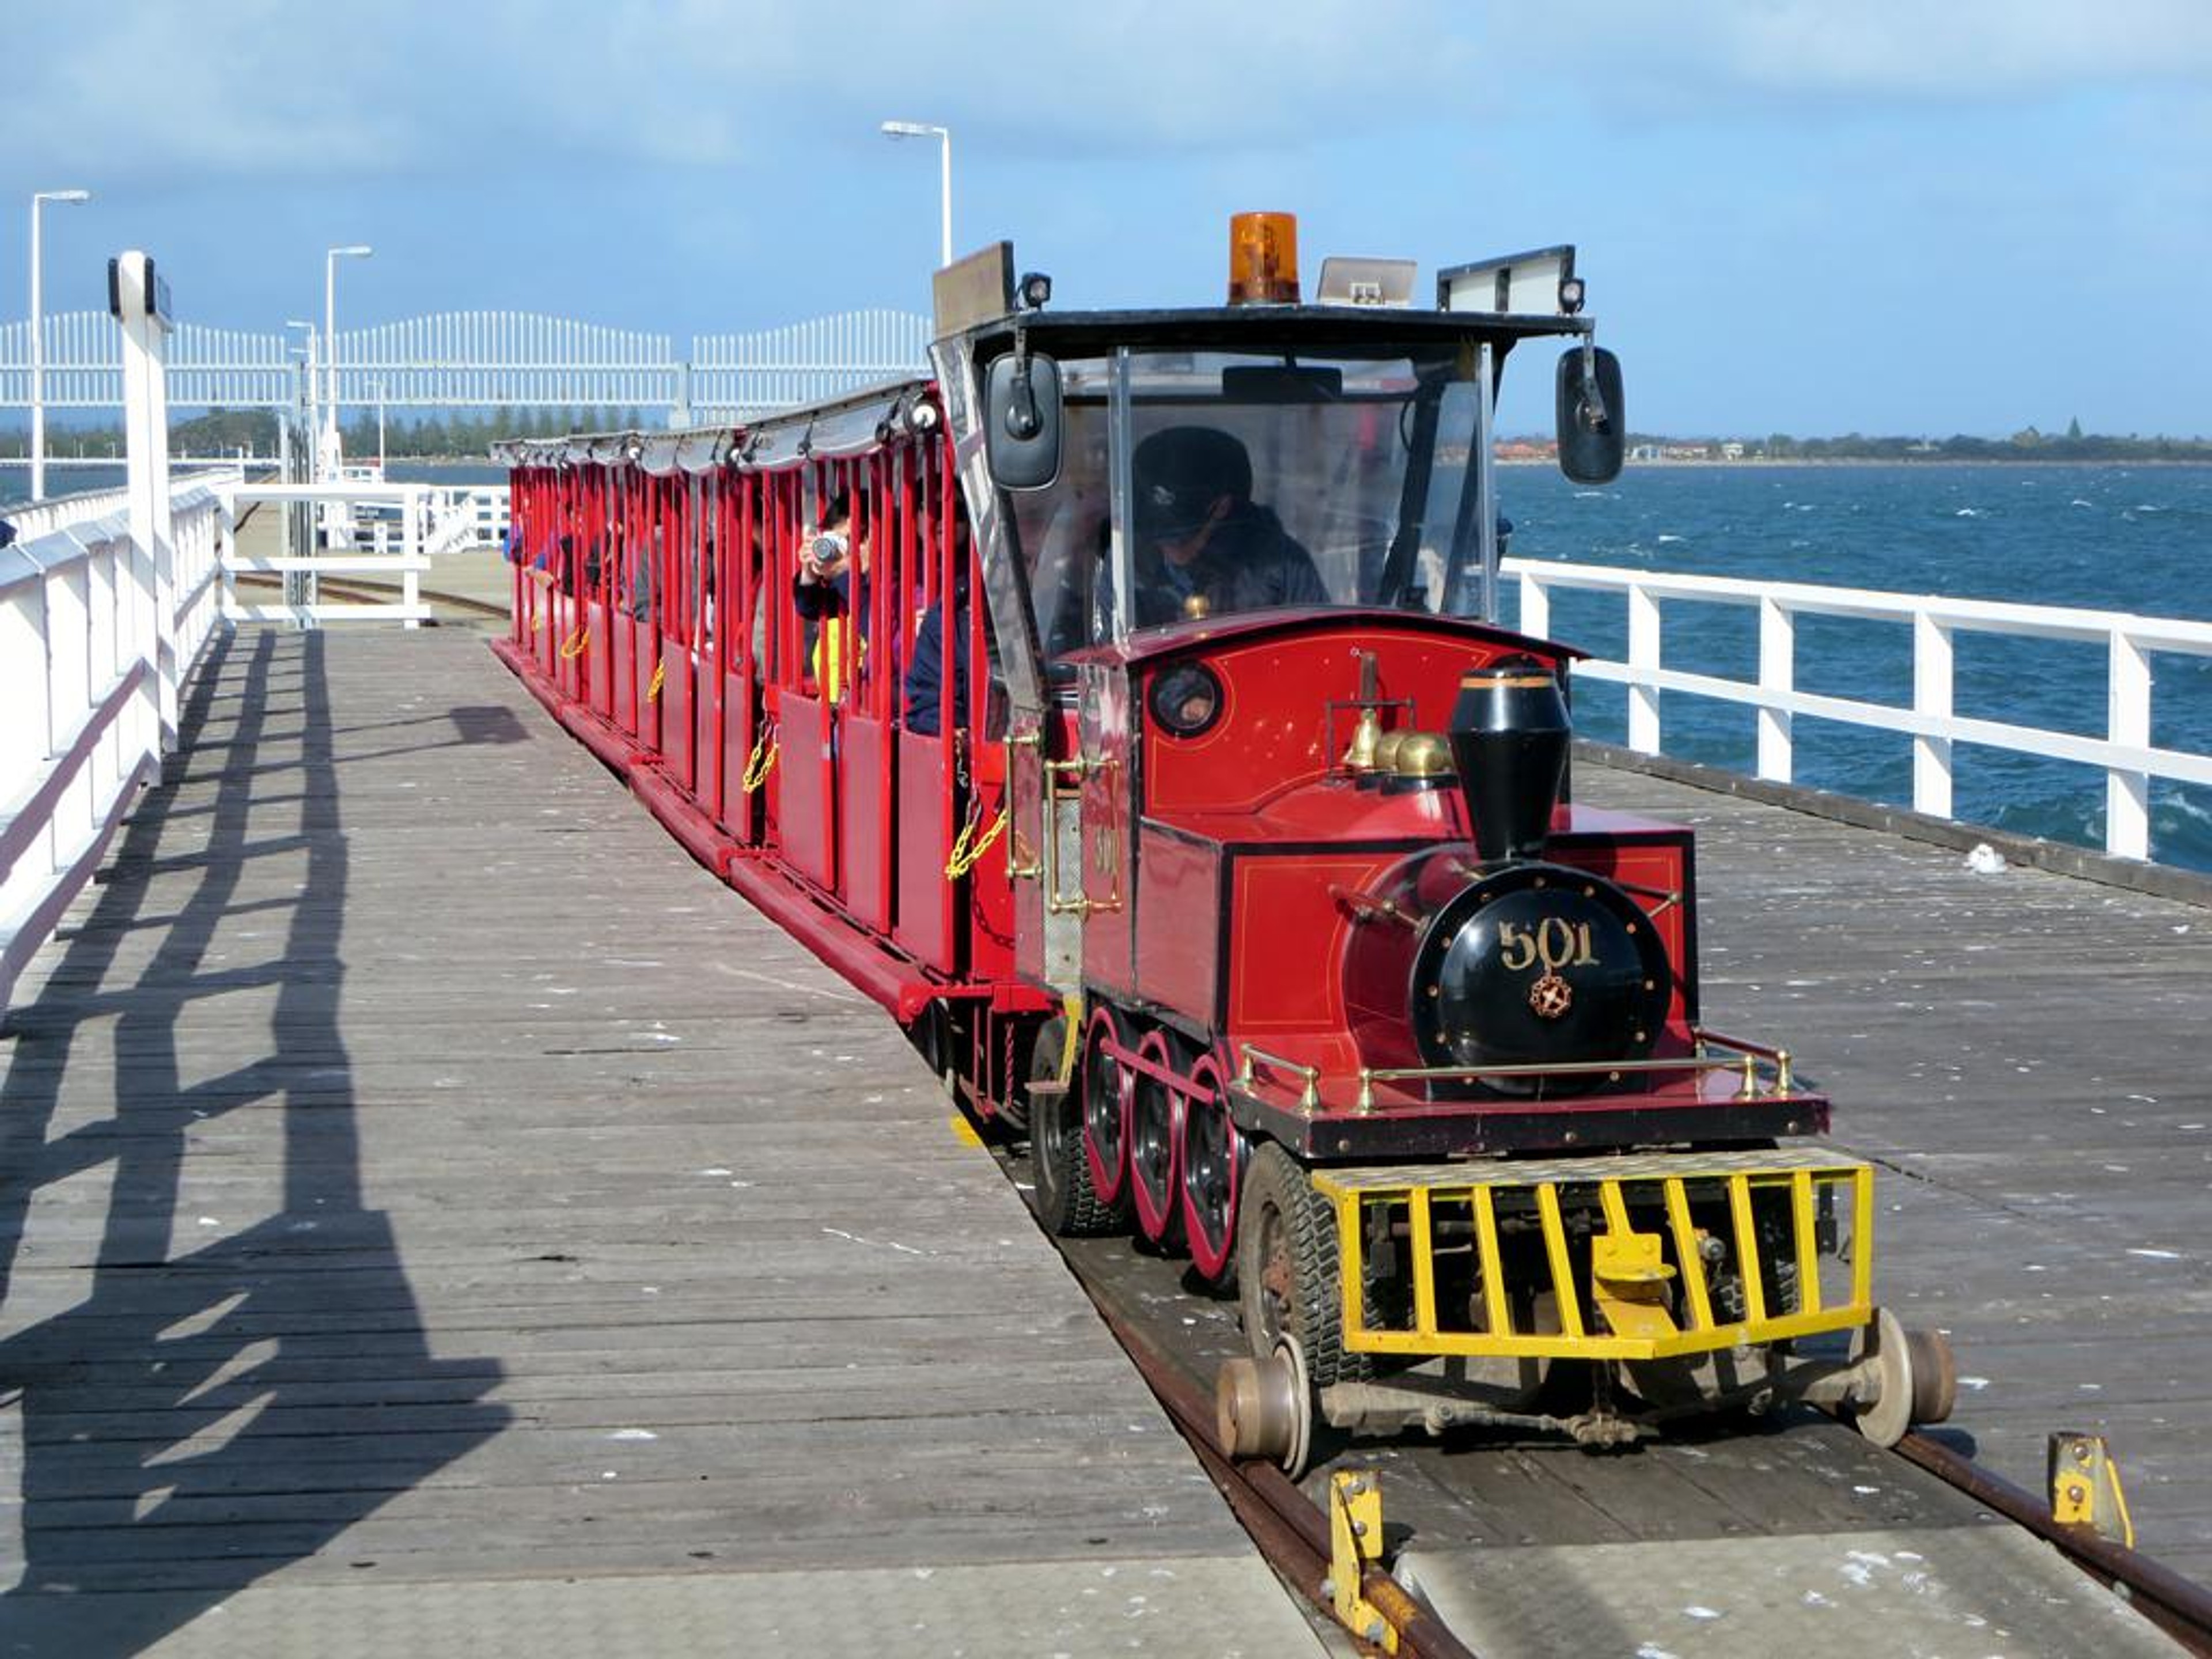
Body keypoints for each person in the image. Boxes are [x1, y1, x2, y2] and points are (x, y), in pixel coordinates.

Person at [1129, 426, 1325, 628]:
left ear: (1222, 508)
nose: (1167, 547)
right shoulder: (1126, 568)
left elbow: (1318, 647)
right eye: (1152, 532)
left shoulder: (1283, 566)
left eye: (1179, 536)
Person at [791, 489, 869, 702]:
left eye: (856, 539)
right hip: (835, 701)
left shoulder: (891, 581)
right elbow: (808, 607)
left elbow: (872, 621)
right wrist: (810, 572)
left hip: (866, 702)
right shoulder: (839, 581)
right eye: (840, 541)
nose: (847, 549)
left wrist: (848, 570)